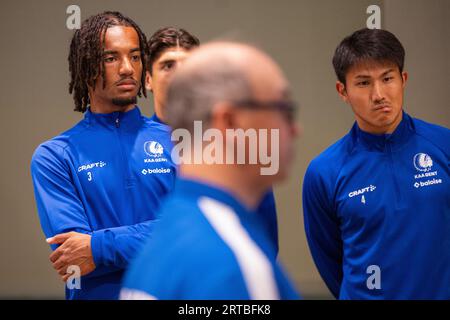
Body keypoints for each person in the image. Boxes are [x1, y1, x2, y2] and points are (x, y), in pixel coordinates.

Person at [120, 42, 300, 299]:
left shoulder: (171, 233)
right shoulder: (230, 264)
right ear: (229, 122)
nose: (295, 129)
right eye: (283, 109)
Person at [30, 12, 176, 299]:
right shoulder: (54, 156)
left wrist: (97, 248)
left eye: (135, 57)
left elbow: (194, 232)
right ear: (86, 68)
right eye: (111, 58)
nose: (127, 69)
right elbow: (73, 258)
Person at [302, 28, 450, 299]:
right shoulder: (324, 172)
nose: (379, 94)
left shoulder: (444, 145)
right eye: (363, 83)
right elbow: (330, 259)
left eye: (387, 78)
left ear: (403, 79)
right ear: (342, 91)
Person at [145, 27, 279, 254]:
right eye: (168, 66)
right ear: (148, 80)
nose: (179, 75)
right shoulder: (133, 146)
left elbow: (263, 235)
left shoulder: (235, 144)